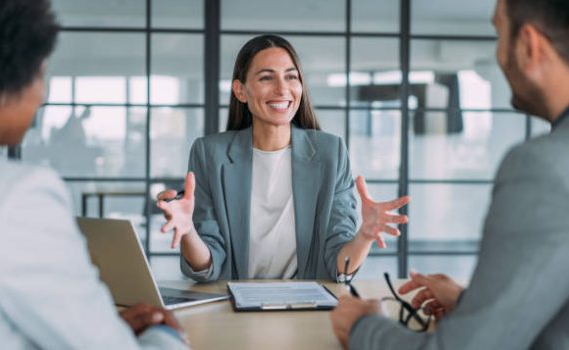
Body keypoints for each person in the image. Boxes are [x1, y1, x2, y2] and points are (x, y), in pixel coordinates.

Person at [331, 0, 569, 348]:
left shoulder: (547, 169)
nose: (498, 55)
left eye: (499, 34)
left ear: (530, 46)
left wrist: (362, 326)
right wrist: (475, 304)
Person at [0, 1, 188, 348]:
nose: (41, 97)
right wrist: (164, 334)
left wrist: (101, 324)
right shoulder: (18, 197)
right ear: (22, 72)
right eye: (44, 74)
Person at [157, 34, 410, 281]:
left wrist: (364, 236)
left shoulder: (330, 153)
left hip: (306, 308)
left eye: (291, 76)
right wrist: (188, 230)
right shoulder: (210, 153)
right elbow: (208, 266)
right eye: (267, 77)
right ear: (240, 90)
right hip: (232, 306)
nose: (282, 89)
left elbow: (338, 266)